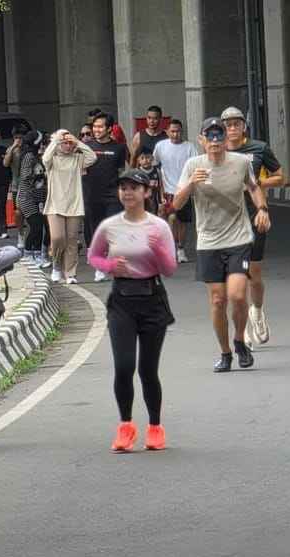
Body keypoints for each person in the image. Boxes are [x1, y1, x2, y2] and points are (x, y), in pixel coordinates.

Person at [88, 169, 178, 452]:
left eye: (134, 188)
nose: (128, 192)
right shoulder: (109, 226)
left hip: (152, 299)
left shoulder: (158, 227)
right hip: (122, 301)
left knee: (148, 370)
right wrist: (110, 267)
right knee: (124, 367)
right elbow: (94, 256)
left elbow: (170, 269)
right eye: (123, 188)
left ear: (146, 192)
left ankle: (155, 426)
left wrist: (157, 251)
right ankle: (125, 426)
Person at [172, 117, 270, 373]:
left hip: (238, 238)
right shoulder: (193, 165)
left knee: (237, 296)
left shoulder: (240, 162)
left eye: (219, 136)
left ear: (226, 140)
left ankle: (239, 340)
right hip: (208, 242)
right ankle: (225, 352)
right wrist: (192, 183)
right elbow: (176, 204)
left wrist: (262, 209)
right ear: (202, 140)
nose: (215, 142)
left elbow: (254, 187)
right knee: (218, 300)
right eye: (210, 136)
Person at [221, 106, 282, 349]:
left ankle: (257, 311)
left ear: (244, 126)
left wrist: (256, 183)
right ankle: (242, 326)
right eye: (227, 125)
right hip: (228, 219)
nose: (232, 129)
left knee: (254, 274)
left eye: (236, 124)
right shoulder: (218, 151)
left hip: (256, 215)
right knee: (236, 276)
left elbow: (280, 176)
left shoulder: (259, 148)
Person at [43, 127, 97, 284]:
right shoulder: (52, 160)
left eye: (69, 143)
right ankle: (56, 267)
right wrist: (57, 139)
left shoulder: (77, 159)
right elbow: (45, 158)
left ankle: (70, 273)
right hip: (54, 205)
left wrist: (77, 142)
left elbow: (92, 157)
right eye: (64, 143)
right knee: (58, 238)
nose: (67, 145)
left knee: (72, 239)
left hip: (74, 204)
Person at [84, 113, 130, 282]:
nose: (96, 130)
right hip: (92, 195)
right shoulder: (86, 146)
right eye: (95, 126)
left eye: (100, 126)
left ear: (109, 129)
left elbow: (121, 171)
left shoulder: (119, 148)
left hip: (112, 195)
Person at [153, 119, 197, 263]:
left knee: (182, 222)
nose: (175, 134)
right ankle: (170, 249)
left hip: (184, 189)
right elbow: (156, 165)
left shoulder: (189, 147)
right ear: (167, 132)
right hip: (168, 190)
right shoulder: (160, 146)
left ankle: (180, 249)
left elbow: (195, 166)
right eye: (172, 131)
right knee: (171, 219)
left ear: (181, 132)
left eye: (178, 131)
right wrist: (160, 189)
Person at [16, 130, 51, 267]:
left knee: (39, 226)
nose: (42, 144)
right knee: (36, 226)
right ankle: (28, 254)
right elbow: (25, 176)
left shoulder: (36, 156)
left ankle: (37, 255)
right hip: (27, 197)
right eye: (41, 141)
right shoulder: (29, 156)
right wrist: (41, 176)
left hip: (36, 197)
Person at [3, 125, 30, 249]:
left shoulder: (29, 148)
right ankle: (21, 234)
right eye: (16, 137)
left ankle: (31, 234)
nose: (19, 139)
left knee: (30, 212)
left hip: (29, 185)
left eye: (20, 137)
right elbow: (5, 163)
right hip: (16, 185)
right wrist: (14, 146)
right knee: (18, 212)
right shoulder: (11, 149)